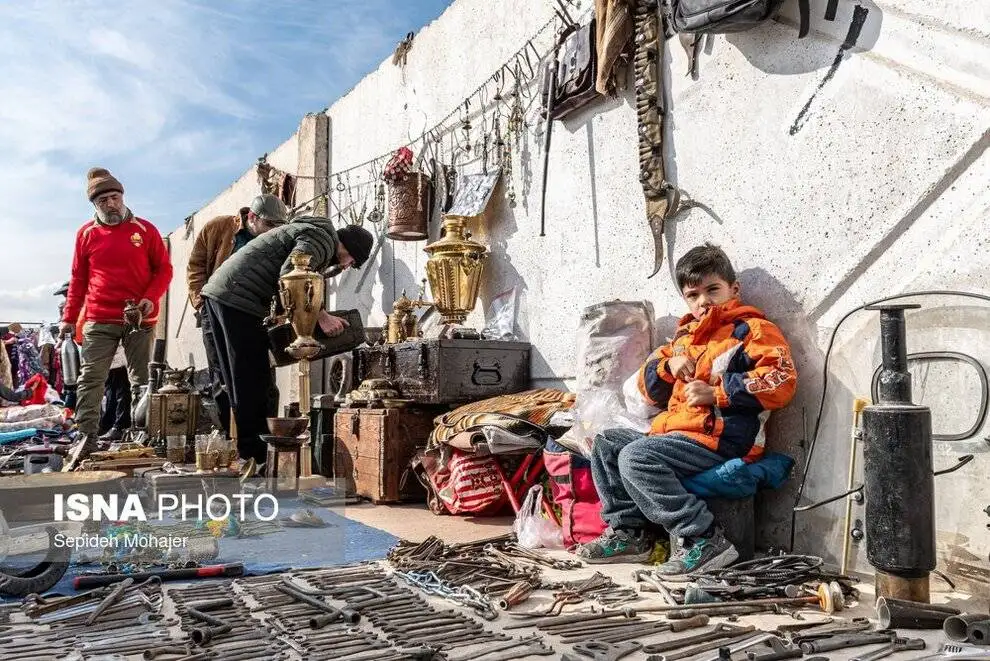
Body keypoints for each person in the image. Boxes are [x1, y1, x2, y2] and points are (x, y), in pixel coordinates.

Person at [577, 243, 797, 577]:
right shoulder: (682, 340)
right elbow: (646, 393)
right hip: (680, 433)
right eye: (693, 295)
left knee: (636, 457)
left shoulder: (752, 330)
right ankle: (632, 534)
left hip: (724, 439)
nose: (703, 301)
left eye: (713, 290)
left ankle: (703, 538)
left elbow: (781, 381)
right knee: (607, 442)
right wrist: (667, 366)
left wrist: (718, 393)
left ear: (733, 289)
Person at [201, 217, 373, 474]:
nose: (348, 267)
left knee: (237, 382)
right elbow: (292, 273)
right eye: (353, 262)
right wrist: (321, 316)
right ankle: (257, 458)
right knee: (253, 381)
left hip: (221, 294)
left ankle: (244, 454)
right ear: (349, 249)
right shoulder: (322, 239)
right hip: (239, 299)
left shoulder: (311, 231)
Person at [60, 168, 173, 470]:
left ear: (122, 197)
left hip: (140, 317)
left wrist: (149, 299)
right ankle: (87, 435)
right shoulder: (85, 234)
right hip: (98, 316)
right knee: (91, 378)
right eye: (104, 200)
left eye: (115, 197)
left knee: (141, 380)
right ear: (94, 205)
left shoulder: (146, 231)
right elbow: (78, 278)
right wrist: (70, 318)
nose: (111, 204)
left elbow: (164, 270)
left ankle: (143, 433)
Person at [186, 195, 289, 436]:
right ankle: (228, 438)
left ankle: (263, 440)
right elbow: (196, 266)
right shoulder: (217, 228)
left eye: (279, 227)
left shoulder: (276, 241)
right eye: (270, 226)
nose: (274, 232)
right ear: (252, 218)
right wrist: (201, 303)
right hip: (216, 312)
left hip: (256, 317)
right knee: (222, 379)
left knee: (263, 382)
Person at [98, 347, 130, 441]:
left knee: (121, 393)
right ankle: (108, 425)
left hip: (119, 359)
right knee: (110, 394)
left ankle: (119, 427)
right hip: (109, 360)